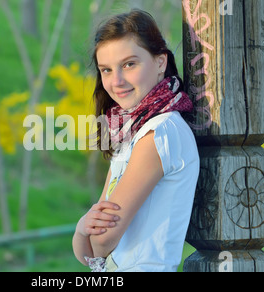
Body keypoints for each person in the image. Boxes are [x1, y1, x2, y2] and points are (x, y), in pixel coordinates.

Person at [72, 9, 200, 272]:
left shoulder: (160, 133)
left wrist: (85, 229)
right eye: (106, 70)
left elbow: (102, 239)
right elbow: (87, 255)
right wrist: (82, 229)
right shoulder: (132, 133)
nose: (116, 81)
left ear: (160, 62)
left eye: (129, 64)